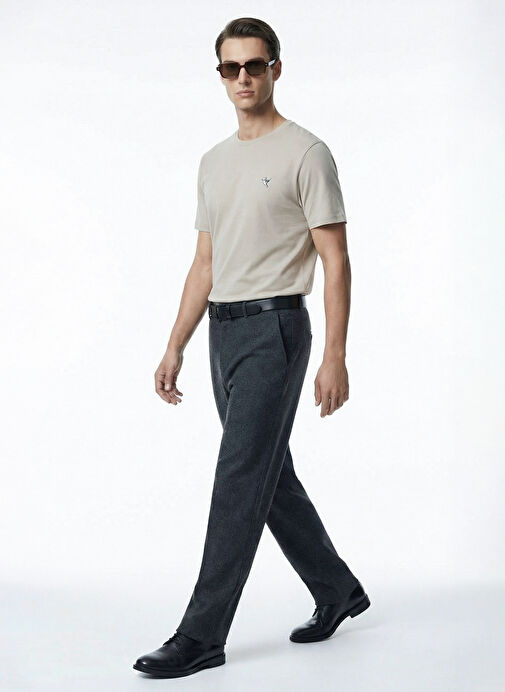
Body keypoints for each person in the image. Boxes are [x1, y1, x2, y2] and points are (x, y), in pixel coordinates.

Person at [133, 16, 370, 680]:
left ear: (275, 69)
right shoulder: (214, 162)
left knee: (238, 477)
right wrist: (175, 345)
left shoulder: (306, 153)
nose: (242, 77)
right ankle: (336, 589)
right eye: (230, 68)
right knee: (268, 473)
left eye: (254, 65)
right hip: (222, 331)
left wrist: (334, 355)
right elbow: (204, 262)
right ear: (220, 75)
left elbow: (336, 258)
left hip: (275, 330)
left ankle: (201, 635)